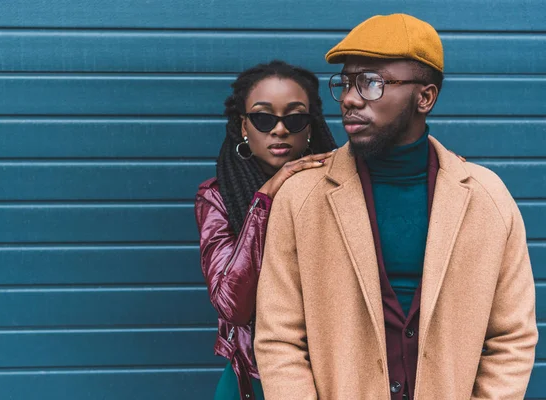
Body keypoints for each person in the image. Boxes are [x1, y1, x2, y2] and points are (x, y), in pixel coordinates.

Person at [254, 14, 537, 400]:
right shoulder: (302, 198)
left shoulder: (488, 199)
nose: (351, 98)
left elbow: (513, 337)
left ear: (425, 97)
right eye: (347, 82)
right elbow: (279, 338)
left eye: (371, 82)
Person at [194, 60, 337, 400]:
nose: (279, 129)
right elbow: (232, 305)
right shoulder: (216, 197)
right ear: (243, 126)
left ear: (311, 126)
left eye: (295, 117)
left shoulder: (342, 187)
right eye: (262, 118)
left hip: (332, 371)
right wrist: (265, 199)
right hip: (253, 379)